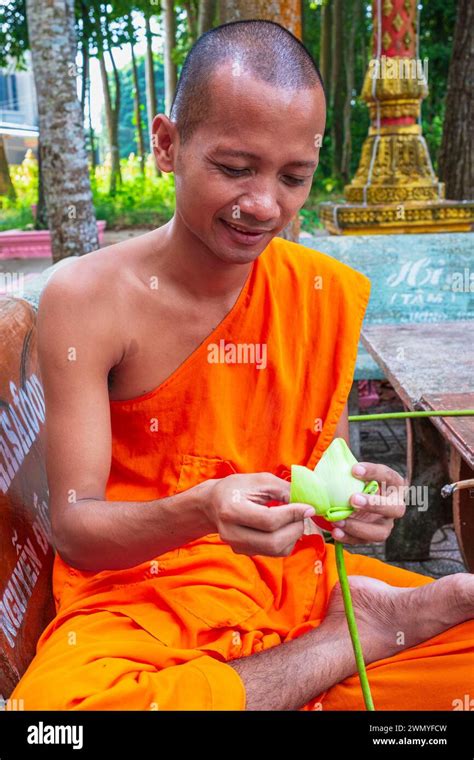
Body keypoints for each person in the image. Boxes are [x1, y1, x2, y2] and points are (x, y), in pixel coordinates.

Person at [11, 20, 474, 711]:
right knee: (59, 720)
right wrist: (200, 511)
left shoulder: (314, 290)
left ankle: (311, 658)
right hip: (144, 606)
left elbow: (326, 466)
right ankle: (339, 649)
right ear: (168, 145)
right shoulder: (90, 296)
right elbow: (78, 531)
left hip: (293, 587)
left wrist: (358, 501)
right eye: (234, 168)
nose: (263, 205)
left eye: (294, 178)